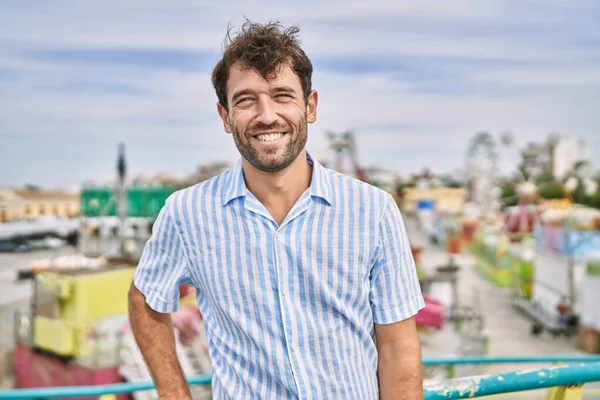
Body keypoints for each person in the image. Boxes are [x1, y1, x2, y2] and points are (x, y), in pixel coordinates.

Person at [128, 20, 425, 400]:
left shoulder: (374, 211)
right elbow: (144, 300)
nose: (267, 115)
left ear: (310, 105)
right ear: (224, 116)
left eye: (282, 95)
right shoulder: (186, 214)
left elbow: (398, 347)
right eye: (246, 100)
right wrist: (175, 395)